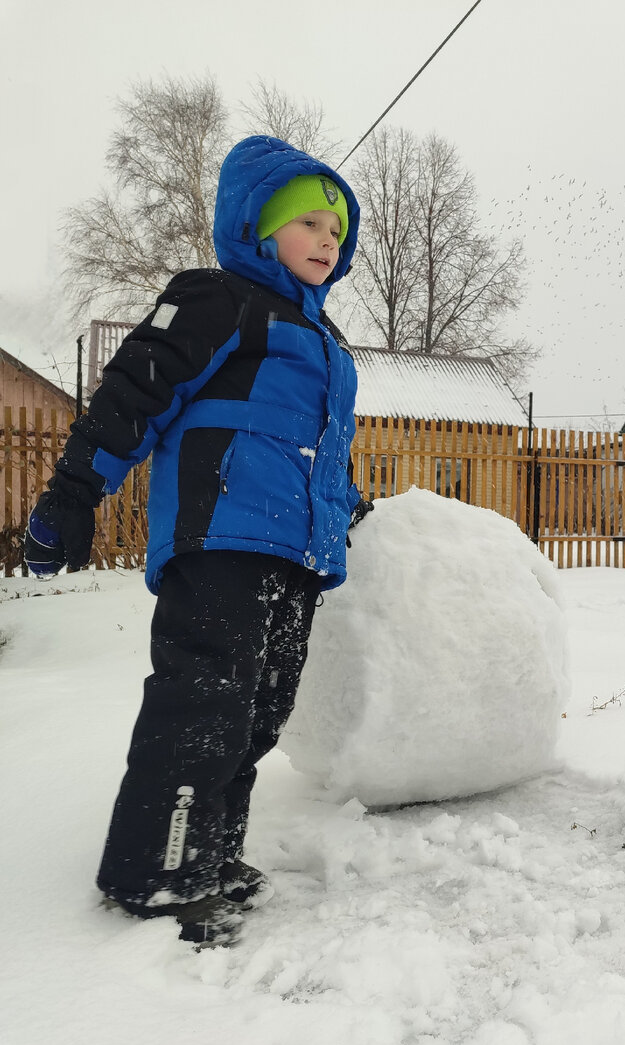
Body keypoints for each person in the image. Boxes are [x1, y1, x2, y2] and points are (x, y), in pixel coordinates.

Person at [24, 135, 373, 946]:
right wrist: (74, 494)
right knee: (203, 702)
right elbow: (133, 396)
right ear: (257, 228)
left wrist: (347, 512)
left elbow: (319, 450)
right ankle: (155, 871)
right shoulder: (219, 301)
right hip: (221, 539)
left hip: (294, 556)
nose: (328, 240)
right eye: (311, 223)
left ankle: (208, 853)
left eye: (338, 230)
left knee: (259, 713)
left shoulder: (327, 345)